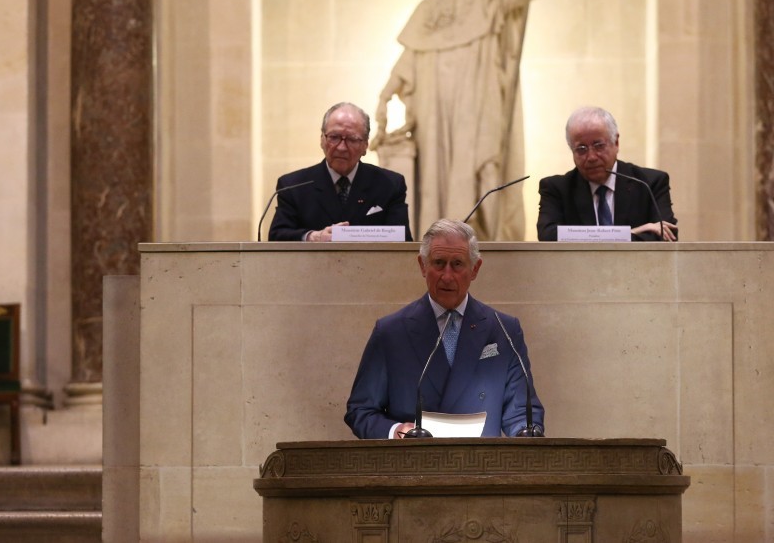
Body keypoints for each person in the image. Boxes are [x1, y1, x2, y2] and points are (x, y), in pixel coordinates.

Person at [370, 0, 555, 241]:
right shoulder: (427, 7)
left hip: (477, 99)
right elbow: (410, 55)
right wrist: (386, 93)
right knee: (435, 174)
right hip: (434, 108)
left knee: (485, 163)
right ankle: (439, 242)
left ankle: (488, 241)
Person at [345, 219, 544, 439]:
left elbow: (521, 412)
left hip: (480, 466)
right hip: (414, 464)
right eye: (439, 263)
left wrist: (525, 434)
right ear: (423, 266)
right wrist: (396, 431)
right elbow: (360, 410)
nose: (447, 276)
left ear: (475, 269)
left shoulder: (504, 329)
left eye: (457, 264)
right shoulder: (391, 332)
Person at [268, 102, 412, 241]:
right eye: (334, 137)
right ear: (322, 140)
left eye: (352, 139)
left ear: (365, 146)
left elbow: (403, 242)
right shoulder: (293, 186)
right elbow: (277, 235)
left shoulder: (389, 184)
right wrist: (313, 237)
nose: (342, 147)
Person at [537, 106, 679, 242]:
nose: (591, 157)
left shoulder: (649, 183)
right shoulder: (556, 189)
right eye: (581, 149)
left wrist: (597, 238)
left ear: (616, 143)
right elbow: (548, 236)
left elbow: (667, 236)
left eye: (599, 146)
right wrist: (631, 233)